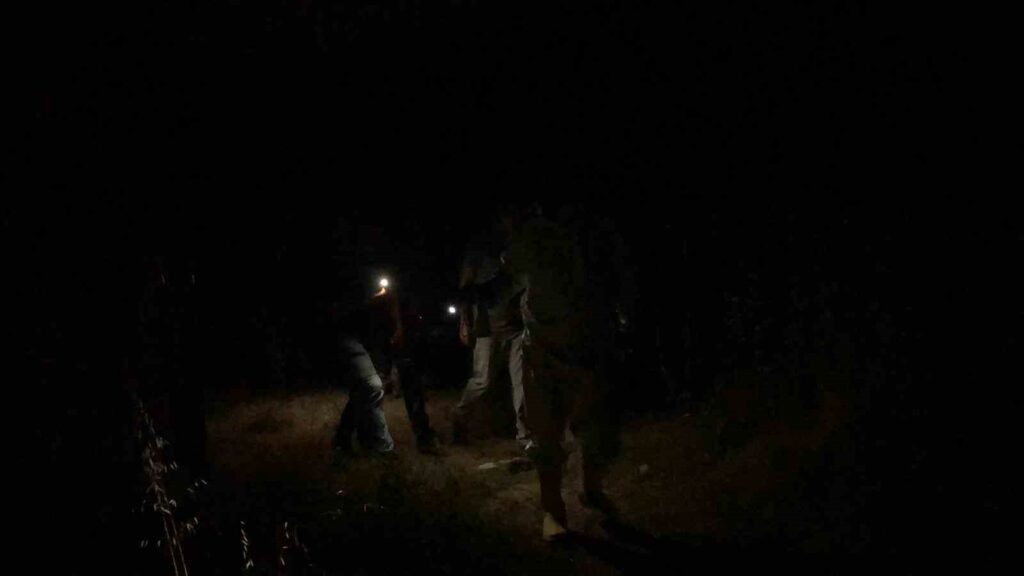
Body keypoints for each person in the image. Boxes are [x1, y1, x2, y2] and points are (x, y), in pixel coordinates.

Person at [501, 202, 624, 541]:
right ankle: (556, 510)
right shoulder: (536, 234)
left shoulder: (571, 233)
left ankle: (588, 490)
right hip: (544, 347)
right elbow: (512, 272)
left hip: (584, 343)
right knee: (549, 432)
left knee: (591, 426)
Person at [451, 229, 532, 453]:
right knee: (482, 382)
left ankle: (524, 435)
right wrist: (464, 322)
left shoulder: (519, 254)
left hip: (516, 329)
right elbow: (466, 291)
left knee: (522, 382)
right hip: (488, 329)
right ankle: (459, 417)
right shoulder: (478, 255)